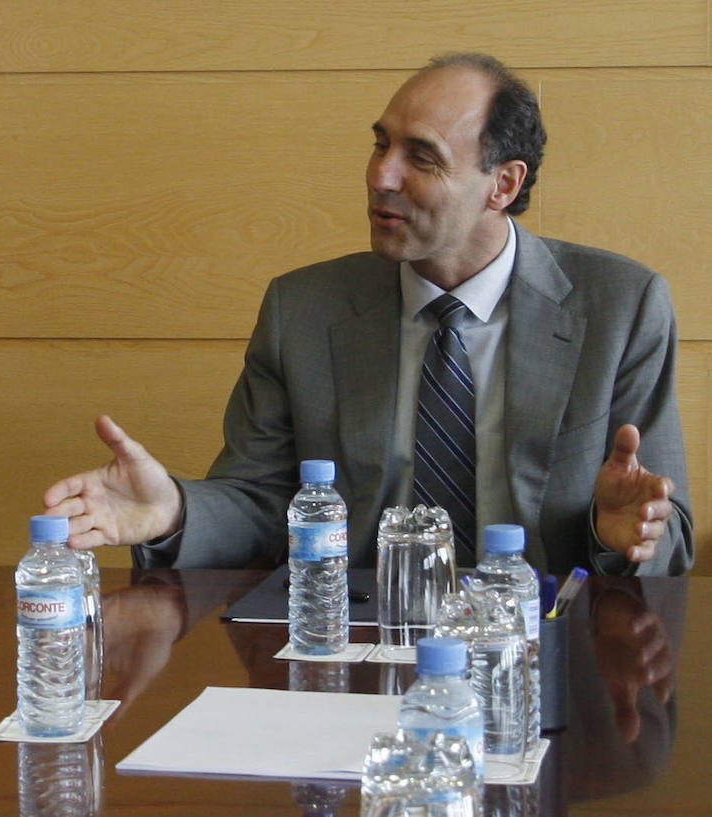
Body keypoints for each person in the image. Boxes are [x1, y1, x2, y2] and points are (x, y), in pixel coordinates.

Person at [44, 53, 692, 577]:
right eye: (381, 145)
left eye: (422, 156)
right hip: (349, 630)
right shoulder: (303, 309)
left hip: (543, 635)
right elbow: (264, 503)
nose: (381, 176)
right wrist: (174, 510)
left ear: (503, 184)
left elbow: (668, 534)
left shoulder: (620, 306)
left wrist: (620, 538)